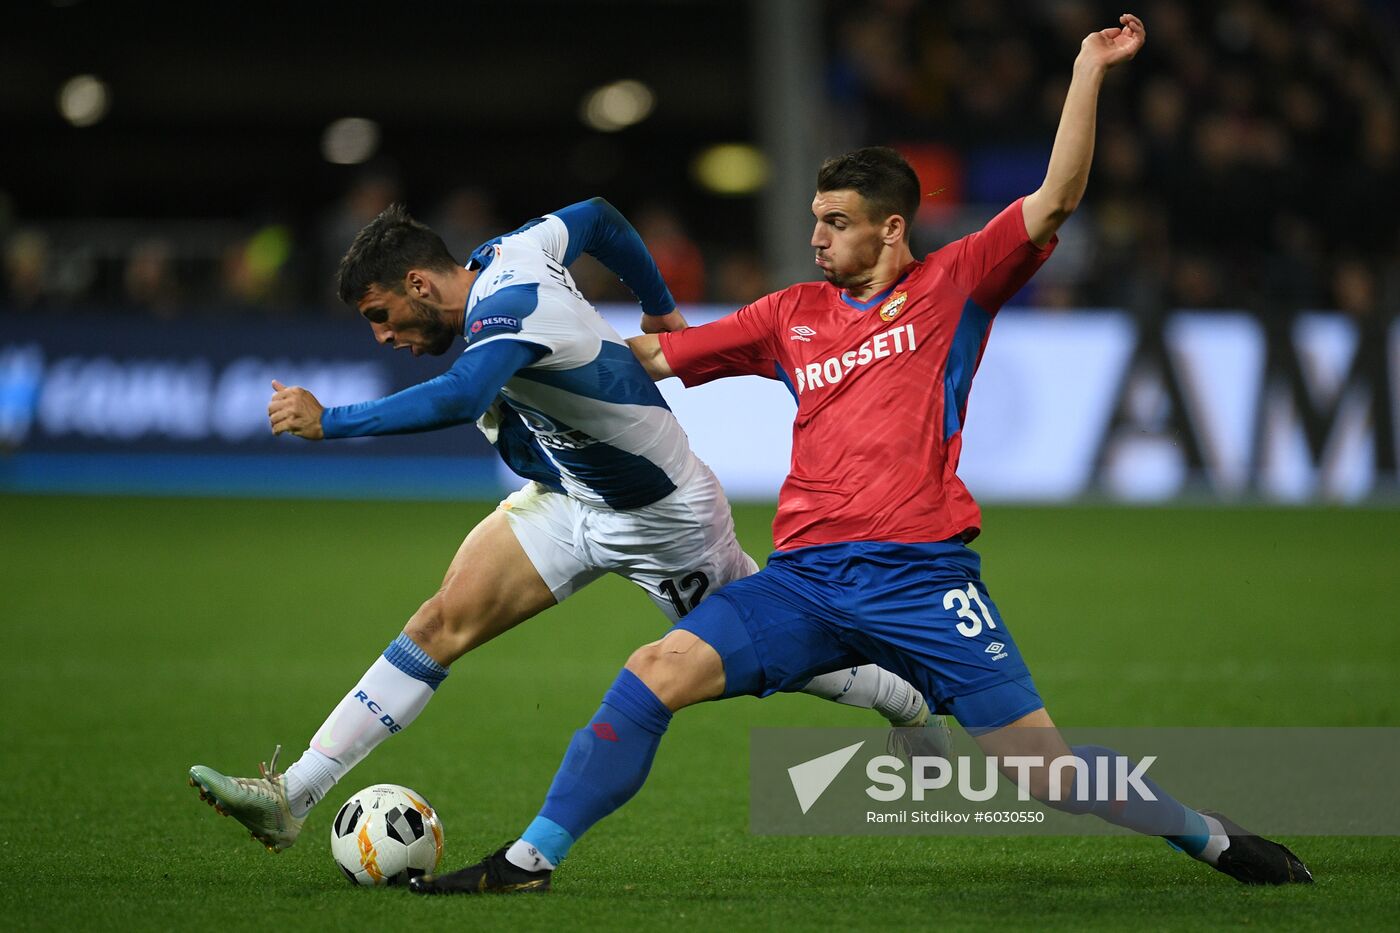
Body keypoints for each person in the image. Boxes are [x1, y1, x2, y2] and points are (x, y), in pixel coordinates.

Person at [409, 14, 1313, 895]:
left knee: (1046, 773)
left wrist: (1086, 69)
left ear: (890, 228)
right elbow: (647, 355)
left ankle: (1210, 836)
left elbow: (1058, 196)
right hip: (803, 580)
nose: (815, 236)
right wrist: (520, 332)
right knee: (653, 673)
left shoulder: (955, 283)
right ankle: (529, 863)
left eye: (834, 221)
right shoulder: (788, 314)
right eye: (814, 219)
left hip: (922, 577)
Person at [188, 196, 947, 853]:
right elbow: (600, 219)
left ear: (419, 283)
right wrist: (657, 303)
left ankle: (898, 695)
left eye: (382, 316)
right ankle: (294, 795)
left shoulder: (509, 306)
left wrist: (332, 421)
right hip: (569, 497)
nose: (384, 337)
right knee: (440, 621)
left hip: (664, 520)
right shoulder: (513, 250)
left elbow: (457, 397)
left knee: (769, 660)